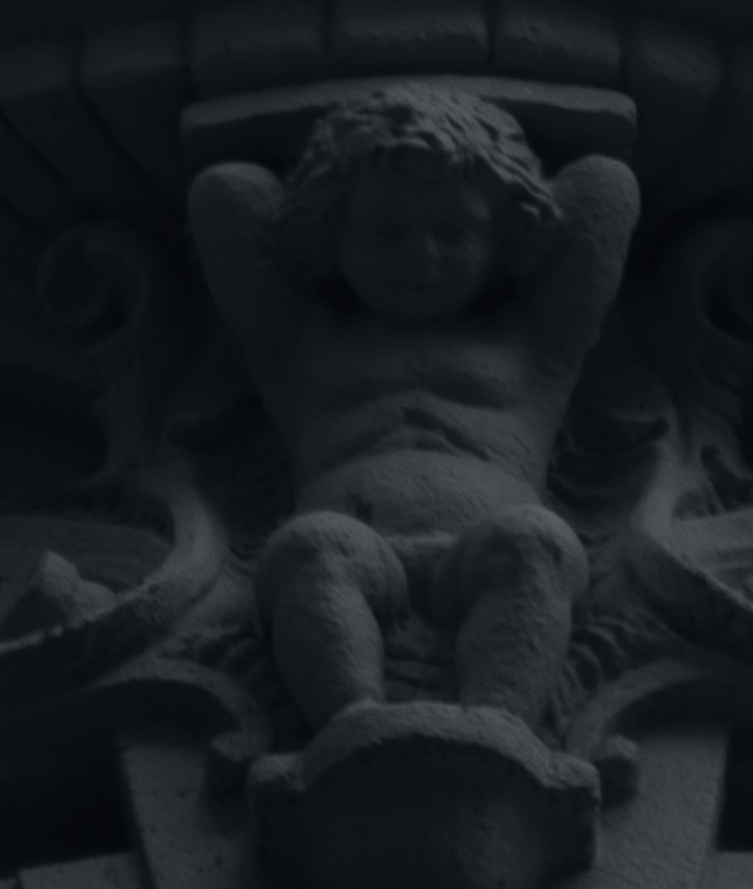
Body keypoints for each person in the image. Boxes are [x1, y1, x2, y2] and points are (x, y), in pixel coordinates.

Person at [187, 81, 637, 745]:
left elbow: (607, 187)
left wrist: (491, 159)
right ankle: (351, 723)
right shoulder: (301, 344)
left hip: (491, 543)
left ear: (501, 232)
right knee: (310, 549)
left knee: (534, 544)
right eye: (385, 232)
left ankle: (504, 723)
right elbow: (222, 194)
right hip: (353, 546)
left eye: (453, 231)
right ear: (334, 230)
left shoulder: (535, 344)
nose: (420, 259)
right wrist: (343, 161)